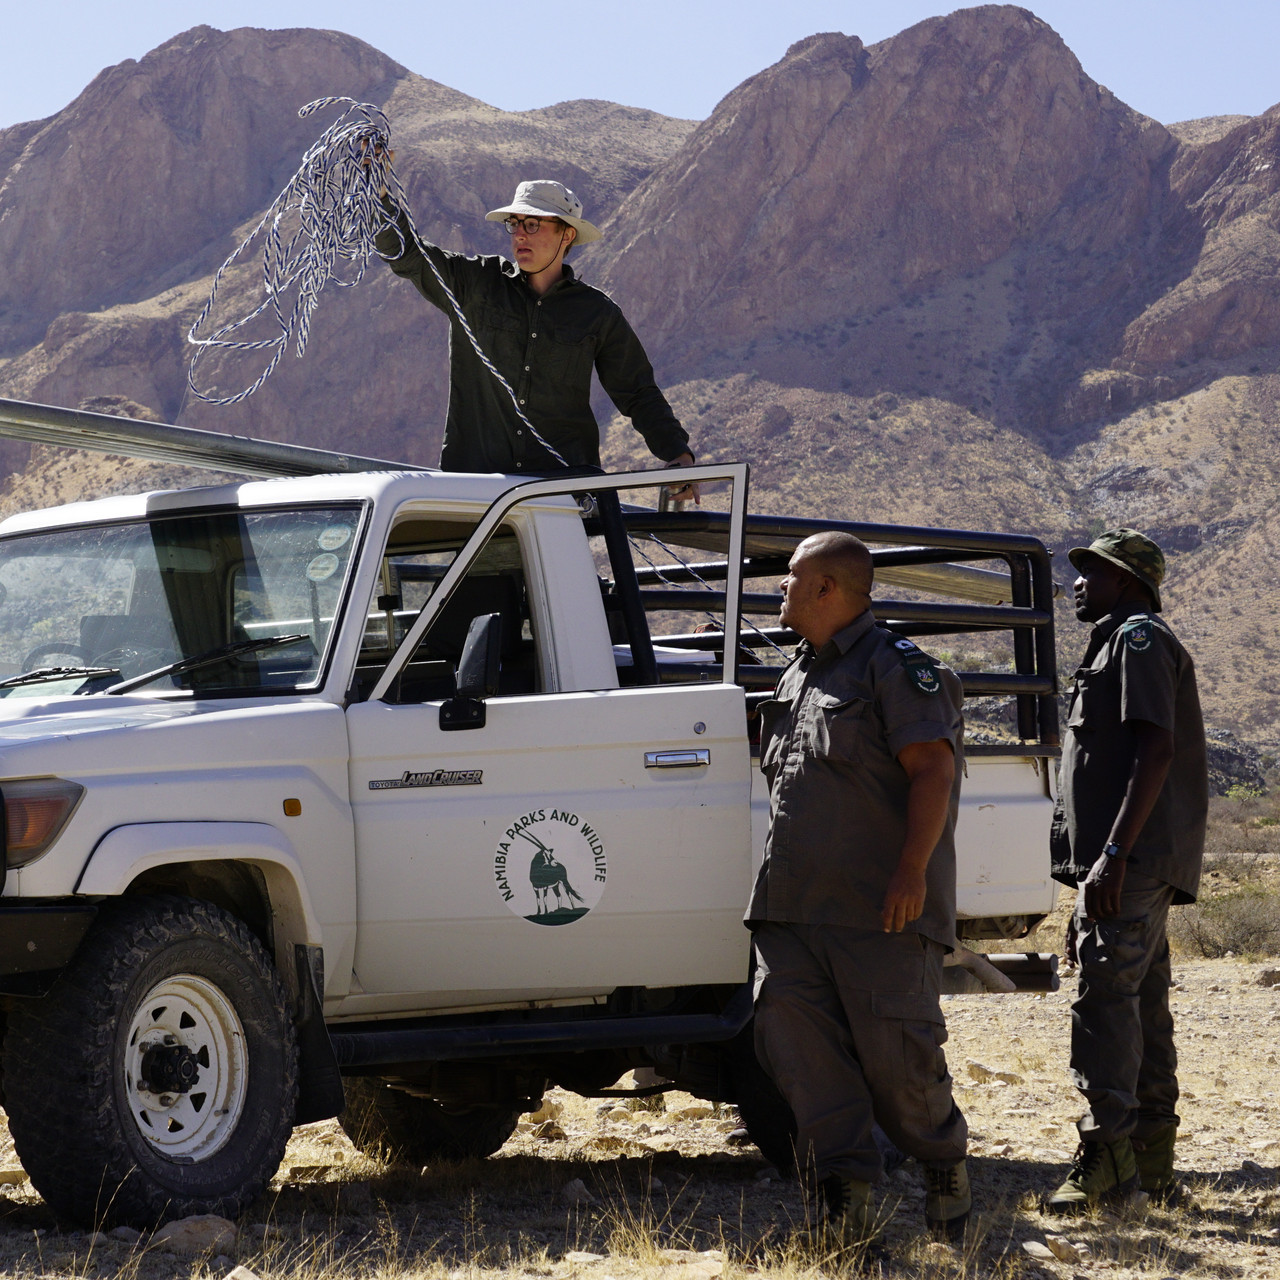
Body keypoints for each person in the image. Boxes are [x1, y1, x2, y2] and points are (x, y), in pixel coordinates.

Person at [745, 531, 970, 1245]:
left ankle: (943, 1163)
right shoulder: (798, 674)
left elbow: (933, 770)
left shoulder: (895, 668)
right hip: (792, 911)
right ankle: (845, 1209)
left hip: (880, 913)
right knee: (804, 1061)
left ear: (826, 588)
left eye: (790, 577)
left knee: (899, 1065)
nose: (780, 589)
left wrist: (911, 872)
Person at [1046, 528, 1207, 1213]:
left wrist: (1111, 858)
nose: (1078, 581)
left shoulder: (1138, 640)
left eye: (1094, 571)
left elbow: (1156, 748)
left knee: (1106, 1005)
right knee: (1141, 1004)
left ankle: (1108, 1161)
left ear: (1129, 582)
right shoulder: (1116, 641)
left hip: (1131, 860)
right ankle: (1151, 1163)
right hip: (1129, 860)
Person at [373, 175, 695, 480]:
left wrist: (677, 453)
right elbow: (408, 255)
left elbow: (638, 392)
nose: (520, 235)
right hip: (475, 493)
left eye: (532, 224)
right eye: (514, 224)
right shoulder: (476, 284)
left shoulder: (597, 313)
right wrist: (380, 194)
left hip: (559, 494)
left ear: (567, 235)